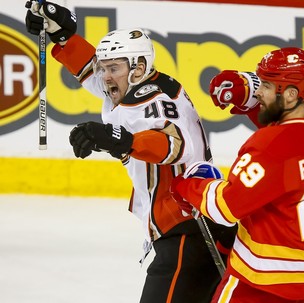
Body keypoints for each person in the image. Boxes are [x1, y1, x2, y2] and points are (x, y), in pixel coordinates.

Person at [25, 1, 237, 302]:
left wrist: (121, 140)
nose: (105, 76)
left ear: (137, 67)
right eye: (105, 66)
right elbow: (93, 74)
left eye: (113, 68)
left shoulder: (155, 100)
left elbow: (175, 145)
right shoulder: (136, 84)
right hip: (184, 226)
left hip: (188, 231)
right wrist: (63, 37)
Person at [170, 47, 304, 302]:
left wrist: (188, 185)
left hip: (269, 279)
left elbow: (226, 206)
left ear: (291, 94)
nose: (258, 91)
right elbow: (288, 140)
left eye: (266, 86)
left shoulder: (267, 146)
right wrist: (247, 93)